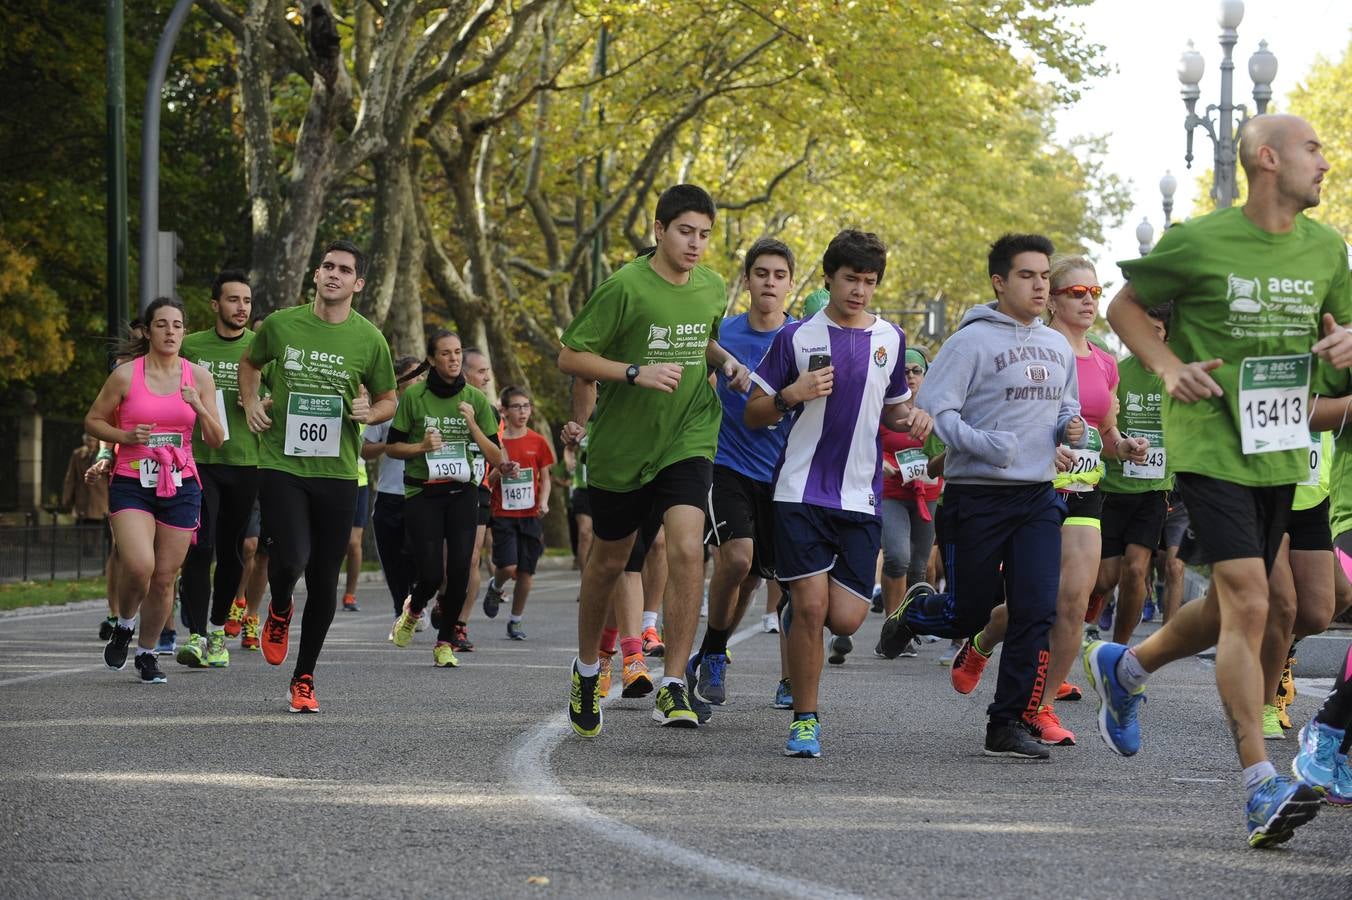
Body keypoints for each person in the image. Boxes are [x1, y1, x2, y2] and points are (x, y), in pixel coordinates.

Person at [1089, 114, 1352, 847]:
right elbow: (1124, 305)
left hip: (1280, 451)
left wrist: (1347, 344)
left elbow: (1341, 346)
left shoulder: (1328, 249)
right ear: (1268, 160)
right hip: (1208, 446)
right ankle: (1259, 785)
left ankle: (1129, 665)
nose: (1325, 162)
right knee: (1248, 602)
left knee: (1264, 605)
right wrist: (1169, 367)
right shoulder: (1201, 241)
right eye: (1313, 149)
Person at [877, 233, 1086, 761]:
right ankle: (917, 611)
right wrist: (986, 445)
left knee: (1034, 610)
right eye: (1026, 276)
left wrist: (1071, 426)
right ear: (999, 281)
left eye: (1044, 276)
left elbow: (1066, 407)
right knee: (968, 613)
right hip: (975, 497)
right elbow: (937, 417)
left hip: (1038, 496)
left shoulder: (1057, 345)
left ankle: (1006, 723)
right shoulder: (970, 342)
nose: (1040, 285)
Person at [557, 183, 750, 735]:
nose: (695, 244)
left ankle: (671, 683)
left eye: (705, 235)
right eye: (685, 232)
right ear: (658, 231)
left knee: (688, 545)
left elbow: (702, 342)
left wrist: (727, 362)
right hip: (623, 445)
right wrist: (634, 372)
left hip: (687, 433)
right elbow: (570, 354)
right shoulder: (624, 288)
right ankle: (588, 669)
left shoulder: (712, 286)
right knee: (609, 562)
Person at [937, 256, 1146, 747]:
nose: (1089, 300)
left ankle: (1036, 708)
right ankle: (980, 640)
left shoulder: (1103, 362)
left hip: (1085, 488)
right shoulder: (1021, 345)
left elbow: (1103, 430)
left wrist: (1123, 446)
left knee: (1069, 602)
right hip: (1033, 484)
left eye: (1095, 291)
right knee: (1021, 603)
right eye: (1077, 291)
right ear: (1052, 299)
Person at [744, 229, 932, 758]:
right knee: (809, 607)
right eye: (851, 279)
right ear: (829, 278)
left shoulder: (891, 340)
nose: (859, 291)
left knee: (845, 618)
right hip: (799, 491)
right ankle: (806, 720)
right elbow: (754, 413)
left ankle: (795, 618)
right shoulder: (796, 338)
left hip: (860, 497)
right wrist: (790, 395)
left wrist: (913, 417)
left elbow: (892, 410)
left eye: (869, 282)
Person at [239, 240, 397, 713]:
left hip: (337, 470)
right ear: (315, 274)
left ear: (358, 283)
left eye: (344, 270)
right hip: (282, 464)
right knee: (290, 558)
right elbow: (250, 364)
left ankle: (304, 677)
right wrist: (249, 402)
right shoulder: (283, 326)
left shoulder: (370, 339)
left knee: (325, 577)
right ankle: (281, 605)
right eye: (327, 266)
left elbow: (389, 398)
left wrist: (371, 411)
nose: (334, 274)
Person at [85, 297, 225, 684]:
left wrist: (200, 406)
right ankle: (125, 624)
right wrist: (124, 436)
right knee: (140, 566)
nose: (170, 332)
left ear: (184, 331)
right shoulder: (126, 375)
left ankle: (147, 654)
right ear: (147, 331)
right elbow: (94, 420)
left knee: (165, 577)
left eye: (177, 325)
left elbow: (216, 440)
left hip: (180, 483)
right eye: (161, 325)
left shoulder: (198, 377)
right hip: (133, 481)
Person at [692, 237, 796, 706]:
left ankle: (781, 673)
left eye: (778, 275)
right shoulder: (725, 336)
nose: (769, 282)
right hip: (727, 463)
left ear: (790, 284)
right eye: (762, 274)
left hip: (784, 472)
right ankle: (714, 654)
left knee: (763, 576)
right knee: (735, 559)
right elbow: (694, 373)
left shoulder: (802, 339)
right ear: (748, 280)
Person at [386, 330, 506, 665]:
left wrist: (472, 424)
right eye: (445, 353)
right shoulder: (414, 398)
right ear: (432, 360)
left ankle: (444, 642)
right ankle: (413, 609)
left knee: (460, 572)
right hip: (422, 492)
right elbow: (392, 447)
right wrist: (422, 448)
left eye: (457, 352)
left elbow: (496, 456)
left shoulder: (475, 399)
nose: (453, 359)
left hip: (462, 492)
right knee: (431, 575)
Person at [176, 270, 260, 670]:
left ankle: (216, 631)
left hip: (245, 462)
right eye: (233, 300)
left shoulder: (261, 348)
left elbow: (280, 393)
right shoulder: (190, 347)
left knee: (231, 553)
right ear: (215, 305)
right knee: (200, 546)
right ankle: (193, 634)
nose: (241, 308)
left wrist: (258, 402)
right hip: (198, 461)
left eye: (246, 301)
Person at [871, 347, 941, 659]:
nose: (910, 376)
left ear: (926, 375)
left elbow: (949, 445)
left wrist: (941, 469)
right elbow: (867, 441)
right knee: (897, 557)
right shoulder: (886, 407)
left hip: (928, 494)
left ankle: (905, 633)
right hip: (892, 492)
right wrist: (881, 462)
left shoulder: (938, 408)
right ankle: (890, 628)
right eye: (905, 371)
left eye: (916, 370)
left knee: (920, 568)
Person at [481, 385, 556, 640]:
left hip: (531, 515)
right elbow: (487, 482)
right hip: (503, 514)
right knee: (509, 566)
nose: (523, 411)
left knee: (526, 572)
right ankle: (496, 585)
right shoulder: (496, 443)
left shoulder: (538, 441)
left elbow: (545, 478)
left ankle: (515, 620)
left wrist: (544, 502)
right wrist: (501, 470)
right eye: (517, 406)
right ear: (503, 410)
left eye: (526, 406)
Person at [363, 356, 424, 634]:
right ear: (398, 381)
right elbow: (365, 449)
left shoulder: (429, 409)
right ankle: (402, 608)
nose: (419, 381)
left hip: (421, 492)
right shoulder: (387, 411)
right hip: (389, 493)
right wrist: (391, 445)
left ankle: (415, 602)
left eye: (422, 376)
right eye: (414, 376)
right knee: (392, 558)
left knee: (419, 555)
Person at [341, 434, 370, 612]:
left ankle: (350, 594)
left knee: (353, 542)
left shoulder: (363, 413)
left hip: (359, 482)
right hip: (334, 480)